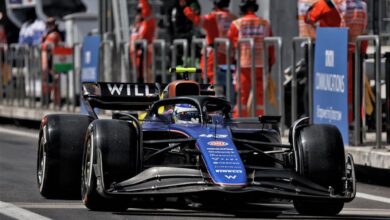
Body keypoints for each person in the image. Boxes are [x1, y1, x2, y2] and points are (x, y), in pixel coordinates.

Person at [228, 0, 275, 118]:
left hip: (243, 65)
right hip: (261, 64)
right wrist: (270, 64)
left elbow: (231, 45)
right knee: (259, 97)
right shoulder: (265, 23)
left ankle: (240, 122)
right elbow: (271, 47)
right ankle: (259, 122)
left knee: (242, 95)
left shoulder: (236, 24)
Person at [180, 0, 236, 84]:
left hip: (214, 54)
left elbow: (196, 19)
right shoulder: (233, 17)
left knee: (210, 77)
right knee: (226, 79)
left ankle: (213, 95)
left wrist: (186, 8)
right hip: (229, 54)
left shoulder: (213, 17)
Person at [342, 0, 369, 123]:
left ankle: (350, 123)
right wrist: (363, 51)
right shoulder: (362, 5)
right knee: (356, 90)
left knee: (346, 90)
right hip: (356, 51)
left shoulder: (339, 4)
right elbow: (365, 29)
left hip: (341, 51)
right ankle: (355, 123)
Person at [130, 0, 156, 83]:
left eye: (140, 11)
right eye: (137, 12)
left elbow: (146, 11)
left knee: (146, 75)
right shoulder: (136, 26)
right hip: (135, 58)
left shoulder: (148, 23)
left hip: (146, 57)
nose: (139, 14)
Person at [41, 17, 62, 106]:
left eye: (50, 23)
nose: (49, 25)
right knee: (50, 82)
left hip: (52, 62)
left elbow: (46, 48)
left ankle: (53, 102)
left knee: (52, 82)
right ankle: (51, 101)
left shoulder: (53, 35)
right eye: (48, 24)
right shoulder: (49, 34)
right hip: (51, 61)